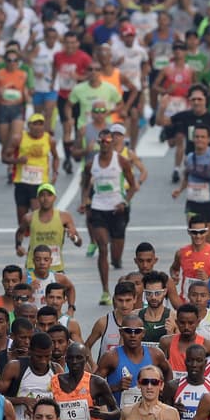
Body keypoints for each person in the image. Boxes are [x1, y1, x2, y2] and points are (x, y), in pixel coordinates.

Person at [79, 125, 137, 305]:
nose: (104, 144)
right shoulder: (91, 164)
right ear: (98, 142)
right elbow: (85, 185)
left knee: (115, 256)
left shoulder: (122, 162)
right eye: (101, 141)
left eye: (107, 141)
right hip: (98, 209)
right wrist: (84, 201)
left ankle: (117, 261)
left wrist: (124, 202)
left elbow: (133, 186)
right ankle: (105, 291)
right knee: (103, 247)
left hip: (117, 210)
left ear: (112, 142)